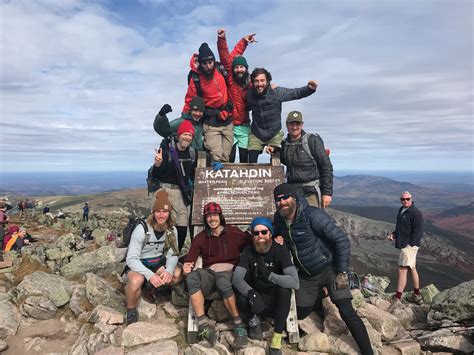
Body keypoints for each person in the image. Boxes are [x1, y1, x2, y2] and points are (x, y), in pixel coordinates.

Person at [273, 183, 373, 355]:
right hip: (307, 275)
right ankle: (321, 294)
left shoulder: (312, 215)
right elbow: (278, 235)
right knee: (301, 311)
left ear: (294, 198)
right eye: (278, 200)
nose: (282, 202)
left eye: (285, 198)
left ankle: (368, 351)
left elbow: (341, 240)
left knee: (346, 311)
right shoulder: (279, 219)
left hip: (330, 270)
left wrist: (342, 272)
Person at [183, 202, 252, 348]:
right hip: (210, 273)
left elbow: (254, 242)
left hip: (229, 274)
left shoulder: (234, 233)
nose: (212, 219)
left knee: (222, 280)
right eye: (208, 216)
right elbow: (190, 259)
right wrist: (187, 266)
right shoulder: (200, 238)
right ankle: (203, 325)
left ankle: (239, 326)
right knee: (192, 277)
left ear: (220, 216)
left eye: (214, 215)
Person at [232, 217, 299, 355]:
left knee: (285, 291)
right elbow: (236, 278)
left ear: (270, 233)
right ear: (252, 236)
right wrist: (252, 294)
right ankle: (253, 321)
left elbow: (294, 282)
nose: (260, 236)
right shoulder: (248, 252)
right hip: (256, 300)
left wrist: (270, 275)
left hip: (275, 299)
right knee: (241, 298)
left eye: (264, 232)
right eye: (256, 233)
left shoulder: (279, 249)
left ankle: (276, 338)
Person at [125, 190, 180, 325]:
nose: (161, 215)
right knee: (137, 280)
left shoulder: (171, 230)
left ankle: (150, 286)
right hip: (139, 263)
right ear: (153, 212)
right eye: (158, 211)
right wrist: (150, 275)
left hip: (157, 263)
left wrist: (169, 270)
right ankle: (131, 309)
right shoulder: (142, 228)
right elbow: (131, 258)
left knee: (176, 275)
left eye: (165, 211)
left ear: (169, 213)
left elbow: (173, 253)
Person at [246, 68, 317, 163]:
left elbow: (295, 93)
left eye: (262, 80)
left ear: (268, 81)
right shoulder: (249, 94)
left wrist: (309, 89)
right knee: (251, 162)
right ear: (253, 82)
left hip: (274, 133)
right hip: (256, 133)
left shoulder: (276, 92)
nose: (259, 84)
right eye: (256, 81)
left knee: (276, 161)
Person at [183, 42, 233, 163]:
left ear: (213, 61)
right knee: (216, 156)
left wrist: (244, 42)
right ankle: (215, 178)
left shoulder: (219, 69)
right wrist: (184, 120)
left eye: (210, 62)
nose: (208, 66)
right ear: (200, 63)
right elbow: (190, 99)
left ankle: (224, 180)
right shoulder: (196, 78)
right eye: (205, 63)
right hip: (211, 120)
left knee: (226, 155)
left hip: (227, 118)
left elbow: (231, 54)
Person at [151, 120, 196, 252]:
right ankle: (157, 256)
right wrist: (157, 164)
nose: (187, 137)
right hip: (165, 190)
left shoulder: (192, 153)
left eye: (190, 135)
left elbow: (194, 172)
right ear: (179, 134)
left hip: (181, 194)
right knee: (161, 223)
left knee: (182, 227)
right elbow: (157, 174)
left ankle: (174, 256)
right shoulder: (168, 149)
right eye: (185, 134)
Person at [217, 28, 256, 163]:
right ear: (233, 69)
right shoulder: (231, 79)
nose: (239, 69)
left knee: (245, 158)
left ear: (246, 69)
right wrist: (223, 39)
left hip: (245, 125)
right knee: (230, 158)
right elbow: (226, 57)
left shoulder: (251, 83)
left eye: (242, 67)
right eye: (237, 67)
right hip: (230, 125)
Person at [280, 111, 333, 208]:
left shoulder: (312, 140)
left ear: (302, 125)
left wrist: (327, 193)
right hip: (293, 193)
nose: (294, 127)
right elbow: (284, 160)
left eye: (297, 124)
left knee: (313, 221)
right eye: (292, 124)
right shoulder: (285, 143)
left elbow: (326, 166)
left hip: (311, 193)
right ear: (287, 125)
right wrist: (275, 150)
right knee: (295, 222)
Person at [387, 191, 424, 305]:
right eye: (403, 199)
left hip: (408, 246)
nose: (405, 201)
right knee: (412, 268)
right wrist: (394, 235)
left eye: (408, 199)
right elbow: (401, 227)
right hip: (405, 244)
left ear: (411, 199)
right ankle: (417, 295)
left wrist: (410, 244)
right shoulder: (401, 210)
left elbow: (418, 231)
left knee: (402, 269)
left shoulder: (416, 213)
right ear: (400, 200)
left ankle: (397, 297)